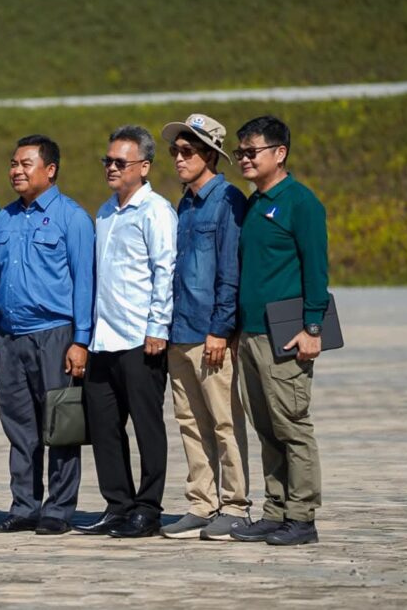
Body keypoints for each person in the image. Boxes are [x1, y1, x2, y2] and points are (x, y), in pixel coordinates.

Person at [0, 135, 95, 536]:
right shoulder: (4, 218)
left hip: (55, 335)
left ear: (50, 169)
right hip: (11, 338)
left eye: (25, 164)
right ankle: (24, 506)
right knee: (19, 427)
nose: (16, 171)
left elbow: (85, 282)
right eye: (13, 164)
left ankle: (59, 509)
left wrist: (81, 340)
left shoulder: (72, 218)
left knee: (60, 424)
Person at [229, 115, 328, 546]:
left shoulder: (301, 203)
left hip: (285, 334)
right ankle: (275, 510)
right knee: (266, 427)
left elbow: (316, 270)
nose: (244, 159)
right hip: (251, 334)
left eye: (252, 152)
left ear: (280, 153)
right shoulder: (254, 204)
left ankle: (302, 518)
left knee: (292, 425)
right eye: (241, 153)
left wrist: (312, 327)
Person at [74, 125, 177, 539]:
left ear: (144, 166)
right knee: (104, 427)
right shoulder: (104, 212)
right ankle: (118, 505)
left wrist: (158, 327)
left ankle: (148, 509)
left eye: (121, 162)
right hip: (103, 339)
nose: (112, 168)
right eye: (108, 161)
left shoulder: (156, 211)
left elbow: (165, 271)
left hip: (140, 339)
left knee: (147, 427)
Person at [158, 114, 251, 541]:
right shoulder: (186, 203)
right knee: (190, 422)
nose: (178, 158)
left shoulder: (228, 200)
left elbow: (230, 272)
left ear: (210, 155)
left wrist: (221, 329)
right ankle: (202, 502)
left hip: (210, 334)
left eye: (187, 151)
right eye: (174, 151)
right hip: (180, 331)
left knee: (224, 422)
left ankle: (235, 506)